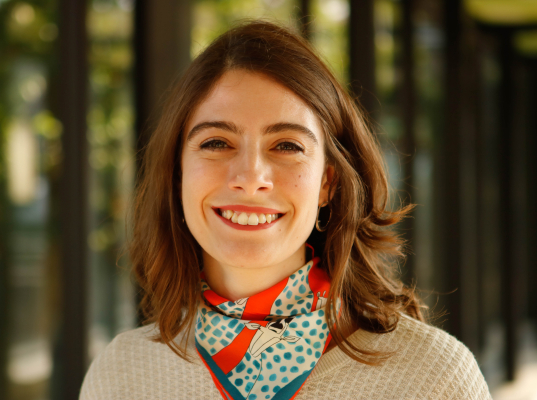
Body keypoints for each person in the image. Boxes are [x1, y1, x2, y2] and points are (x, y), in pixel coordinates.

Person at [80, 20, 491, 400]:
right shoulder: (121, 376)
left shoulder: (433, 378)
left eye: (287, 146)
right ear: (178, 174)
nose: (250, 176)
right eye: (217, 143)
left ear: (327, 183)